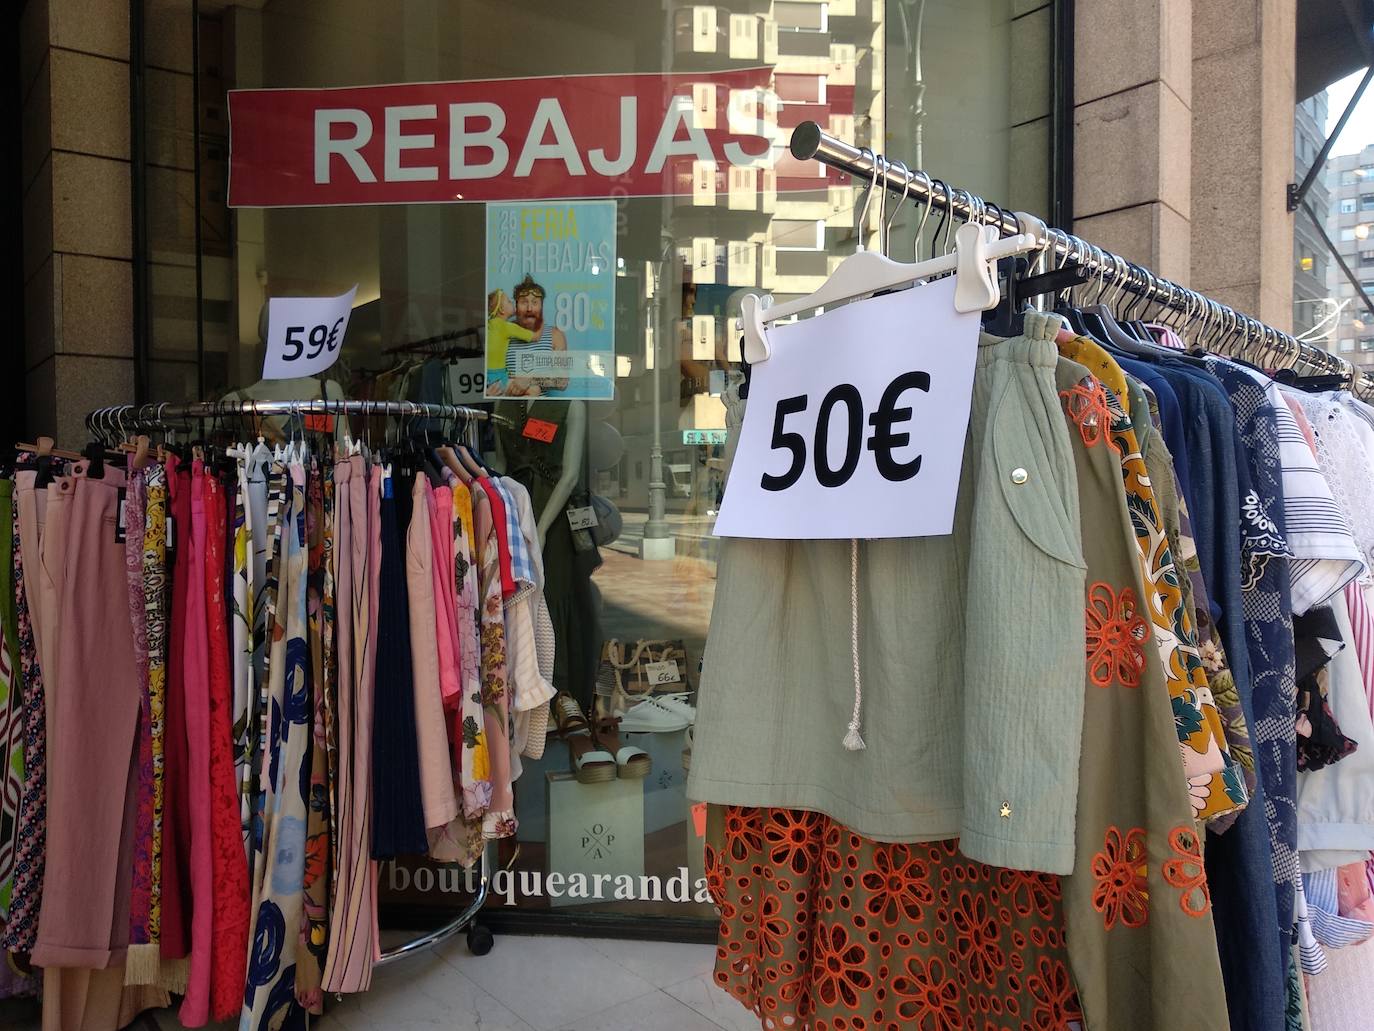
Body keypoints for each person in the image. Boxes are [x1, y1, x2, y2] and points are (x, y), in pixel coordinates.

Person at [507, 274, 569, 394]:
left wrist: (530, 379)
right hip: (507, 404)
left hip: (539, 409)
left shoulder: (555, 336)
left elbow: (562, 381)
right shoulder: (505, 334)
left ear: (541, 307)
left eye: (535, 303)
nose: (529, 308)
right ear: (515, 306)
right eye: (524, 302)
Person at [484, 288, 537, 397]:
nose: (512, 303)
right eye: (509, 301)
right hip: (498, 378)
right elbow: (534, 336)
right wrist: (541, 322)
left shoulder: (490, 325)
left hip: (491, 378)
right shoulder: (506, 326)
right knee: (535, 390)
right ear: (502, 310)